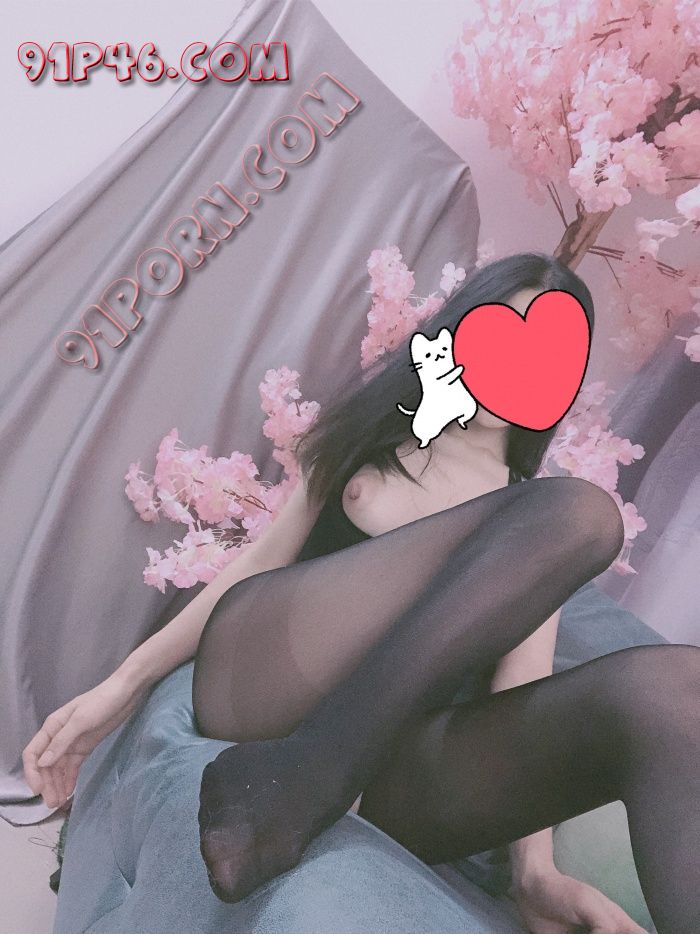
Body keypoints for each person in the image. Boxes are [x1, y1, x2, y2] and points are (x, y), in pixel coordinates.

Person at [23, 254, 699, 934]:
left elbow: (519, 681)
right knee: (581, 511)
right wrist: (126, 683)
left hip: (385, 766)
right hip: (264, 677)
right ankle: (310, 773)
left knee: (673, 684)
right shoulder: (374, 441)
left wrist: (535, 873)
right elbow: (258, 563)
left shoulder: (531, 521)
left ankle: (311, 777)